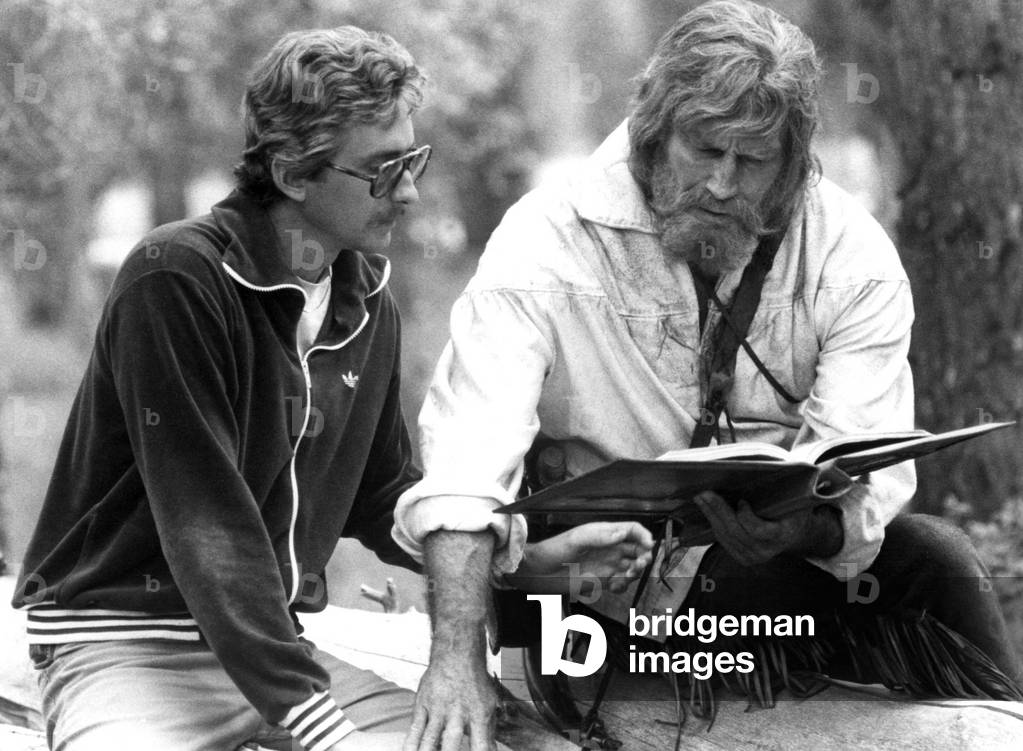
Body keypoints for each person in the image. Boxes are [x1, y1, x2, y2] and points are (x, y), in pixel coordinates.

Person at [393, 0, 1023, 746]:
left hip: (767, 577)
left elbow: (862, 475)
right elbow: (466, 465)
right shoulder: (544, 242)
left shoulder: (848, 256)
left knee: (938, 559)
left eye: (751, 161)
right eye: (704, 150)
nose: (723, 183)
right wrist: (456, 661)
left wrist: (798, 527)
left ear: (790, 165)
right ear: (654, 135)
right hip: (594, 602)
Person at [11, 26, 443, 751]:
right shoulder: (174, 278)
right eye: (383, 168)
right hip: (127, 647)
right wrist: (321, 729)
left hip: (272, 650)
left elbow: (382, 491)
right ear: (292, 172)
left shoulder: (368, 301)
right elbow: (210, 530)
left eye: (413, 159)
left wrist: (512, 553)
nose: (409, 192)